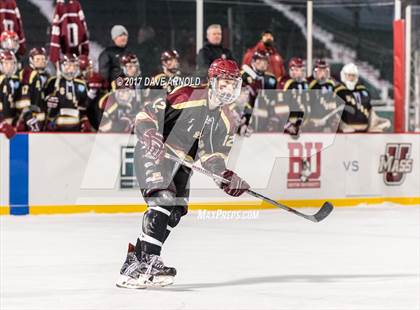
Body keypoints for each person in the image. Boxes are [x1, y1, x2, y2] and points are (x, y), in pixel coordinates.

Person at [115, 58, 250, 289]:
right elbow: (146, 115)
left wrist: (226, 177)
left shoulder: (227, 120)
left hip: (183, 163)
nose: (228, 90)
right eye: (224, 83)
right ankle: (150, 261)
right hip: (157, 152)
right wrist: (149, 134)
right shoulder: (188, 95)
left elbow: (212, 158)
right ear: (212, 81)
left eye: (232, 84)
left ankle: (133, 264)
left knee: (175, 211)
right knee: (164, 199)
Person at [44, 53, 91, 132]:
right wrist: (49, 119)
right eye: (68, 65)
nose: (71, 69)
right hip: (56, 126)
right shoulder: (53, 81)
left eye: (74, 66)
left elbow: (84, 107)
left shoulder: (81, 84)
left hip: (76, 126)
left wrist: (84, 120)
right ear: (61, 66)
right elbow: (44, 103)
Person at [240, 50, 277, 133]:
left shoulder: (271, 79)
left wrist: (273, 118)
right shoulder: (243, 75)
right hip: (245, 117)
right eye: (259, 61)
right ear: (253, 61)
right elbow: (239, 100)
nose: (263, 64)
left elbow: (273, 101)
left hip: (264, 120)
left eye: (265, 61)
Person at [270, 57, 308, 135]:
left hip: (298, 123)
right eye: (297, 70)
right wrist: (287, 124)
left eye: (302, 70)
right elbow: (279, 105)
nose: (301, 72)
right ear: (292, 70)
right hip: (282, 123)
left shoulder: (305, 83)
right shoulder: (284, 82)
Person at [15, 47, 49, 132]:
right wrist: (29, 119)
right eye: (37, 59)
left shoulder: (48, 76)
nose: (41, 62)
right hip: (29, 121)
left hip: (42, 120)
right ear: (31, 60)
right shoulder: (26, 73)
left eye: (43, 59)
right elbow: (23, 100)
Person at [335, 63, 371, 132]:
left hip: (363, 128)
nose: (351, 78)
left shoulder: (363, 90)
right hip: (345, 129)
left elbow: (369, 109)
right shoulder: (338, 91)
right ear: (344, 76)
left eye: (353, 76)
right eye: (349, 75)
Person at [305, 59, 339, 132]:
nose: (322, 74)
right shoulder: (309, 83)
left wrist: (333, 118)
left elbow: (334, 101)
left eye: (324, 71)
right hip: (312, 120)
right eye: (320, 71)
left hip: (326, 119)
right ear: (315, 72)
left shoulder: (331, 84)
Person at [78, 54, 107, 130]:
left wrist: (103, 85)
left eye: (90, 67)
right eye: (86, 69)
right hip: (82, 113)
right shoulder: (76, 81)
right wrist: (92, 92)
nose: (90, 70)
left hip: (96, 111)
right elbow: (81, 105)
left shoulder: (96, 78)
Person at [0, 50, 19, 138]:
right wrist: (2, 124)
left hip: (10, 125)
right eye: (6, 64)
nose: (10, 67)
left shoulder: (14, 81)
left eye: (11, 64)